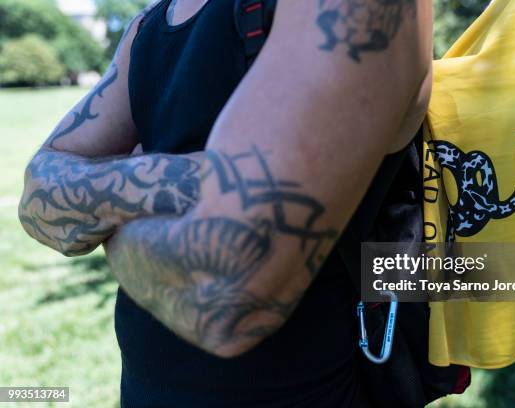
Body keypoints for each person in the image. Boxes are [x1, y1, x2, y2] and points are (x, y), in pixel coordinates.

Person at [18, 0, 432, 406]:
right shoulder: (150, 25)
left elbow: (226, 298)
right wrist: (208, 183)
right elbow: (37, 196)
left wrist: (112, 220)